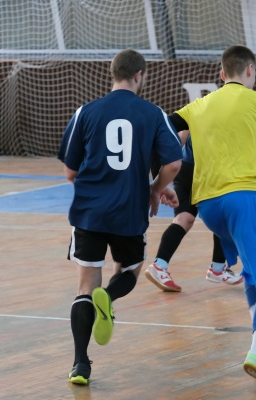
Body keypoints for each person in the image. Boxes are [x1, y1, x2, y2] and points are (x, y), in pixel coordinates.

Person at [167, 45, 256, 390]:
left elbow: (167, 128)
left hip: (208, 207)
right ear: (250, 71)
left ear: (221, 73)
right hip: (244, 198)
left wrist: (161, 174)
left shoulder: (198, 105)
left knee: (249, 269)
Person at [58, 48, 182, 385]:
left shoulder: (86, 112)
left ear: (112, 74)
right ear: (139, 75)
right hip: (129, 211)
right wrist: (155, 189)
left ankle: (80, 365)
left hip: (89, 213)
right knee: (128, 270)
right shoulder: (153, 114)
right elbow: (173, 163)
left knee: (85, 286)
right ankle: (109, 298)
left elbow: (70, 171)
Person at [145, 133, 243, 292]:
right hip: (207, 168)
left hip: (186, 166)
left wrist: (161, 179)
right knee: (222, 214)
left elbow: (178, 137)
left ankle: (159, 265)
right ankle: (218, 268)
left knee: (184, 219)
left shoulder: (193, 115)